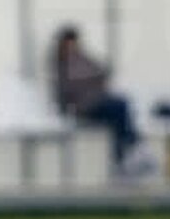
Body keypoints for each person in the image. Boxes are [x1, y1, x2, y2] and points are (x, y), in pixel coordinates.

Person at [52, 25, 140, 171]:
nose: (72, 46)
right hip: (84, 108)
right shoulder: (62, 65)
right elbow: (68, 89)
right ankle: (130, 149)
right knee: (120, 108)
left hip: (97, 102)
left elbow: (103, 71)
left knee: (117, 117)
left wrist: (90, 80)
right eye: (69, 43)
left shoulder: (81, 58)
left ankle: (123, 156)